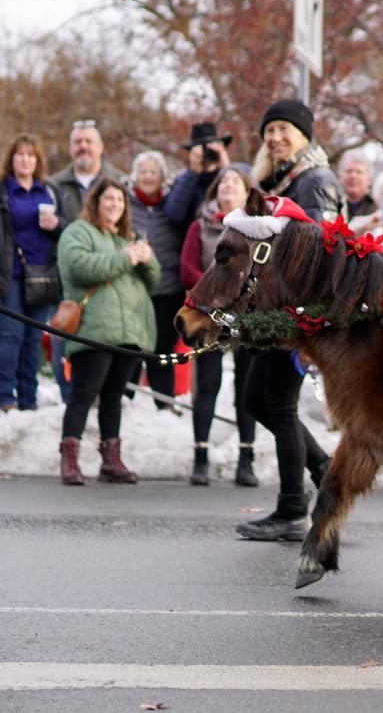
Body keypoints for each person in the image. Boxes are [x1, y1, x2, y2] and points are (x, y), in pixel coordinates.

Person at [234, 98, 341, 540]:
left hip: (296, 313)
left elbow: (316, 250)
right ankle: (326, 472)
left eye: (284, 129)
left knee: (276, 403)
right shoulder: (284, 179)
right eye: (269, 130)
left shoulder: (314, 180)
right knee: (258, 400)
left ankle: (292, 509)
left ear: (304, 134)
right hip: (275, 309)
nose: (275, 138)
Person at [56, 178, 159, 486]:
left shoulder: (126, 238)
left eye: (120, 200)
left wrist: (147, 257)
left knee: (114, 396)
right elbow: (79, 266)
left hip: (129, 330)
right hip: (95, 329)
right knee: (84, 393)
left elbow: (155, 280)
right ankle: (69, 458)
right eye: (109, 199)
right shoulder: (78, 231)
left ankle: (111, 460)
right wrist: (126, 258)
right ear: (96, 201)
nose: (115, 204)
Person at [180, 165, 259, 487]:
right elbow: (186, 271)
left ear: (245, 192)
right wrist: (218, 291)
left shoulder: (256, 229)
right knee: (207, 387)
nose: (227, 185)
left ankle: (247, 458)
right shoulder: (200, 226)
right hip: (208, 313)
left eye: (235, 181)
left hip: (246, 315)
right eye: (223, 181)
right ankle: (200, 457)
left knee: (246, 388)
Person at [0, 135, 65, 412]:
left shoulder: (49, 191)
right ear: (11, 159)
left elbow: (70, 231)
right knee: (10, 335)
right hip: (9, 274)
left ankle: (29, 397)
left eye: (30, 155)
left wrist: (57, 224)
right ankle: (5, 397)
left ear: (37, 161)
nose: (25, 160)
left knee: (34, 339)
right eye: (20, 154)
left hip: (43, 276)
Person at [50, 121, 123, 402]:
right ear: (71, 148)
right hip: (67, 274)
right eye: (78, 141)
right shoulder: (55, 184)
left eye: (88, 141)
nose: (83, 147)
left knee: (104, 339)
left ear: (100, 147)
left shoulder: (118, 181)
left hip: (107, 273)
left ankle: (107, 395)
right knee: (64, 331)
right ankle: (70, 395)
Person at [127, 150, 186, 408]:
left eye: (153, 172)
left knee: (163, 348)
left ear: (162, 177)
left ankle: (164, 403)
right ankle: (123, 399)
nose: (148, 177)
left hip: (168, 288)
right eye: (144, 172)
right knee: (130, 345)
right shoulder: (126, 204)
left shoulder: (171, 207)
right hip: (134, 287)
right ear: (135, 176)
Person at [163, 122, 234, 245]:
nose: (207, 154)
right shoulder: (184, 180)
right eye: (203, 149)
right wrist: (193, 172)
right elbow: (173, 215)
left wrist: (226, 169)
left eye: (211, 148)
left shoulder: (230, 176)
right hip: (195, 245)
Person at [339, 150, 378, 221]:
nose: (353, 176)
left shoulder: (377, 206)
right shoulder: (332, 204)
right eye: (349, 171)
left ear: (369, 179)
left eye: (359, 172)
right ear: (340, 177)